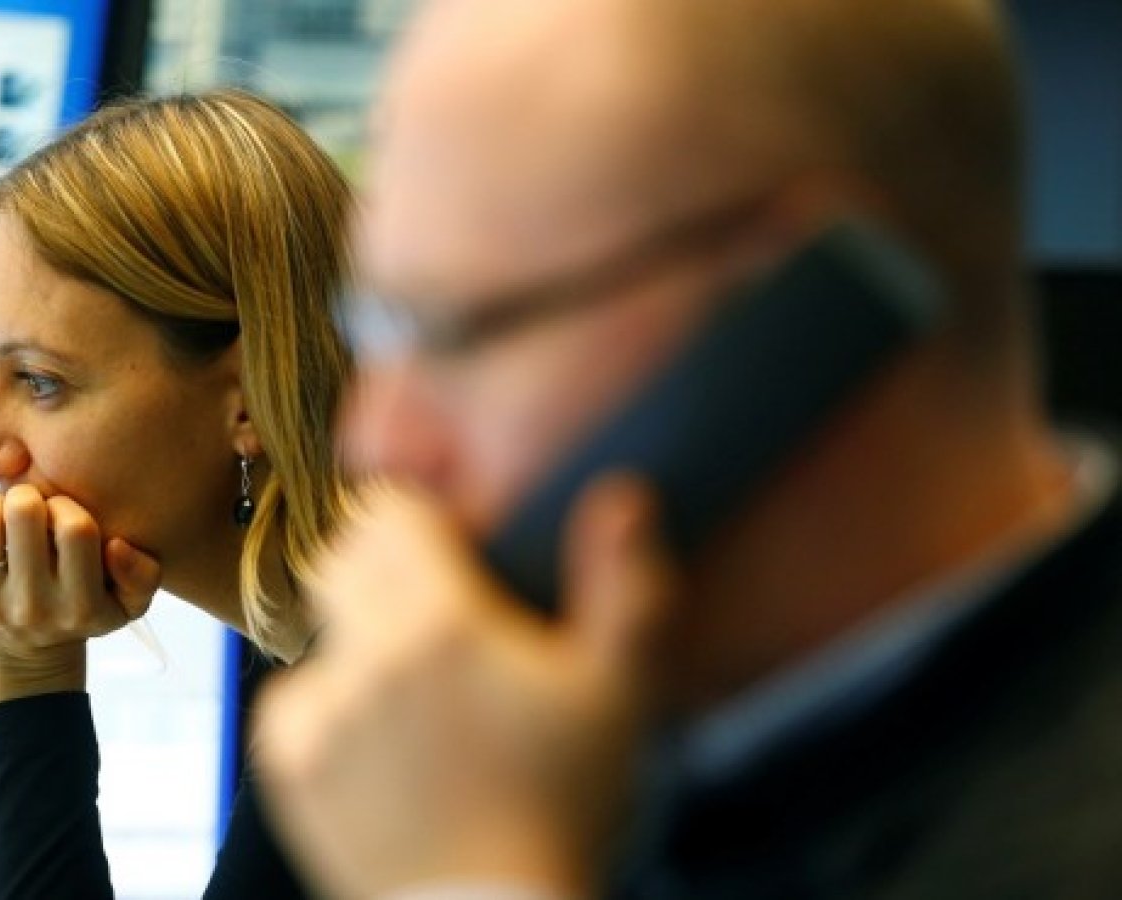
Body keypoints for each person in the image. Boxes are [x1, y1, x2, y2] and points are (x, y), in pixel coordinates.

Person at [253, 0, 1122, 897]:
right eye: (376, 327)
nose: (374, 445)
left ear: (812, 309)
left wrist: (469, 880)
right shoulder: (606, 759)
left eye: (453, 334)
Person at [0, 89, 351, 898]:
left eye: (40, 381)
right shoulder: (361, 647)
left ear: (251, 400)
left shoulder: (368, 721)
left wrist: (21, 679)